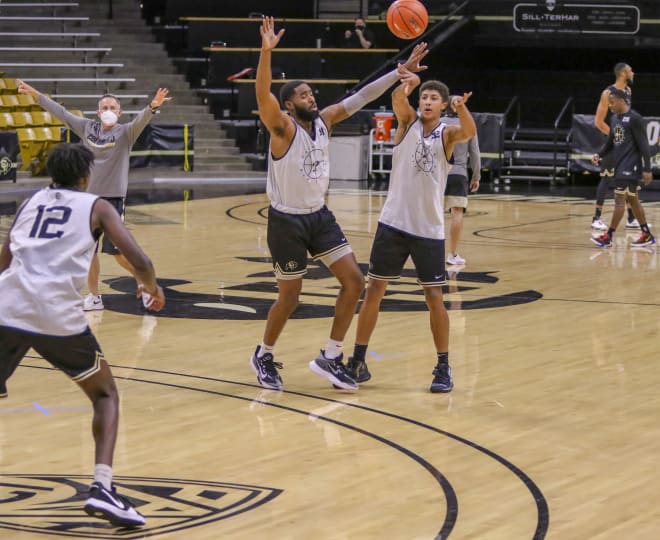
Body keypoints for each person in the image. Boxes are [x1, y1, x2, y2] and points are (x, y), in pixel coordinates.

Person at [250, 16, 428, 391]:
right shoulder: (282, 127)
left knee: (354, 281)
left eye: (312, 93)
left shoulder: (325, 121)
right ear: (288, 104)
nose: (311, 97)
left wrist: (400, 74)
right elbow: (262, 94)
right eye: (303, 95)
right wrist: (266, 53)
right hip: (286, 222)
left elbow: (362, 97)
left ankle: (331, 356)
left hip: (319, 216)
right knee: (290, 297)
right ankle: (263, 353)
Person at [0, 143, 165, 527]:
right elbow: (140, 260)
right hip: (56, 316)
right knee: (105, 394)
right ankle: (102, 487)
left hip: (7, 306)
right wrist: (151, 287)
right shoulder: (97, 207)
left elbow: (5, 256)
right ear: (86, 175)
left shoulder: (30, 201)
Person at [346, 69, 477, 393]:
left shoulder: (447, 134)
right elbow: (396, 100)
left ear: (444, 105)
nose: (427, 101)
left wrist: (462, 109)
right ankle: (357, 360)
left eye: (434, 98)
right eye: (424, 97)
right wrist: (409, 85)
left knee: (435, 297)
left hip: (428, 229)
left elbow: (469, 131)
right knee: (373, 291)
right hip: (393, 223)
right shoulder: (407, 124)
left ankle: (443, 367)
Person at [17, 80, 172, 311]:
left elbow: (142, 119)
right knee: (89, 251)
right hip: (87, 202)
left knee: (118, 254)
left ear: (119, 113)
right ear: (98, 112)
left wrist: (152, 106)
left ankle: (146, 282)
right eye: (105, 108)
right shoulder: (86, 127)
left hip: (112, 202)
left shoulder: (126, 133)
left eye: (112, 108)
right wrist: (36, 95)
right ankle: (94, 296)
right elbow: (60, 112)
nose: (108, 111)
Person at [591, 87, 655, 248]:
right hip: (620, 165)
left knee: (619, 200)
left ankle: (609, 236)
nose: (610, 106)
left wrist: (647, 169)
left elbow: (644, 145)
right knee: (633, 201)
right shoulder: (614, 119)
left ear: (621, 100)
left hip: (630, 167)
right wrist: (600, 154)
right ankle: (646, 234)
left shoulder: (635, 119)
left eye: (612, 103)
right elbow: (611, 141)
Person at [591, 63, 639, 232]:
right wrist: (616, 135)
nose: (633, 72)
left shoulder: (628, 92)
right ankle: (596, 218)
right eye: (631, 70)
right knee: (606, 177)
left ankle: (631, 218)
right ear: (623, 73)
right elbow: (598, 122)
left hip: (625, 144)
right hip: (613, 142)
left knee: (626, 178)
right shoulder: (608, 93)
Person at [442, 95, 481, 266]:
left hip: (436, 174)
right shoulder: (467, 125)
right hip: (458, 173)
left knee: (429, 214)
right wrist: (476, 176)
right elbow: (475, 153)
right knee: (457, 214)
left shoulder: (436, 122)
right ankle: (453, 254)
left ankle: (426, 252)